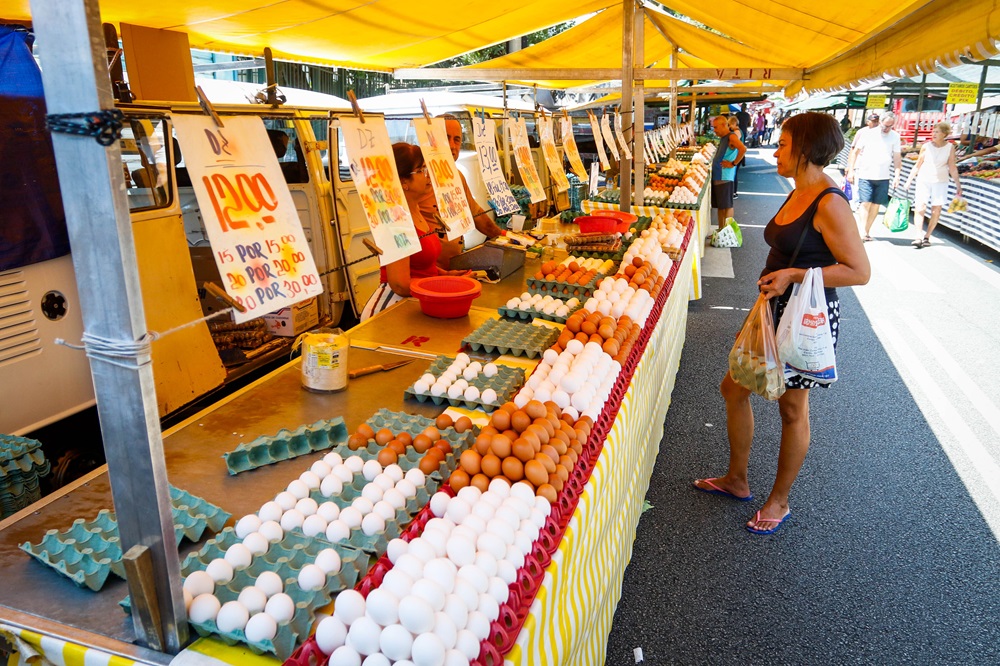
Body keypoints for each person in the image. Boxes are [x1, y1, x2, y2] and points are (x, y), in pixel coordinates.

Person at [694, 112, 871, 535]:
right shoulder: (800, 190)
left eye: (785, 144)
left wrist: (795, 275)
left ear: (806, 150)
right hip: (771, 309)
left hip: (803, 317)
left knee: (792, 409)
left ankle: (780, 500)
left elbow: (859, 271)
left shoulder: (829, 201)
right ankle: (737, 479)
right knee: (733, 386)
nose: (775, 149)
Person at [359, 143, 470, 321]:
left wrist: (446, 276)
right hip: (390, 308)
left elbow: (420, 265)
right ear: (403, 182)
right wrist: (438, 285)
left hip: (414, 302)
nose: (427, 176)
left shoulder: (416, 211)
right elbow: (400, 284)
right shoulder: (397, 221)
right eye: (420, 170)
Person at [419, 115, 506, 269]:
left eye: (457, 139)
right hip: (429, 274)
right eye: (446, 138)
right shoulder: (420, 178)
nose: (452, 146)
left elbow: (476, 214)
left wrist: (503, 236)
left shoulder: (456, 175)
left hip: (455, 266)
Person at [903, 121, 963, 248]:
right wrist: (909, 180)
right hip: (924, 179)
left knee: (936, 210)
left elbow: (952, 166)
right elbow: (918, 164)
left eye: (937, 132)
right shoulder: (926, 146)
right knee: (920, 207)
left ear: (944, 134)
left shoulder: (950, 147)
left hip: (941, 181)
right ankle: (918, 235)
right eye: (933, 131)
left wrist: (958, 184)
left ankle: (927, 236)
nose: (934, 134)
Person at [846, 111, 901, 242]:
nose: (887, 129)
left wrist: (897, 176)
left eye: (890, 126)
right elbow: (855, 152)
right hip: (866, 173)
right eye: (885, 125)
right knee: (865, 203)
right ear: (880, 122)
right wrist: (851, 170)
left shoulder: (895, 137)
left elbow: (897, 158)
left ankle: (867, 230)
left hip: (883, 176)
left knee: (876, 205)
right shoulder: (868, 134)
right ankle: (862, 230)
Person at [710, 115, 746, 231]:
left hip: (725, 176)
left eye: (716, 127)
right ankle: (721, 231)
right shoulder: (724, 137)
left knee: (727, 205)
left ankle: (727, 232)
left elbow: (743, 149)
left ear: (724, 125)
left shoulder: (731, 137)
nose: (714, 130)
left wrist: (733, 163)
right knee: (721, 206)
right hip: (719, 176)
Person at [727, 115, 745, 199]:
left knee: (734, 174)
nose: (729, 127)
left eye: (730, 124)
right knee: (734, 173)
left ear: (734, 123)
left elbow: (740, 148)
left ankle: (734, 192)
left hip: (737, 156)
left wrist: (734, 162)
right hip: (738, 155)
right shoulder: (739, 131)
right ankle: (733, 192)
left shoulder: (736, 133)